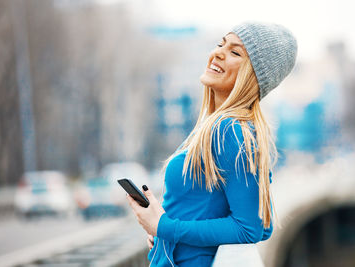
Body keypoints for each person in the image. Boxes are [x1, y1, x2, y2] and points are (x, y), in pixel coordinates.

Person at [127, 21, 297, 267]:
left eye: (235, 52)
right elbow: (264, 227)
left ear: (253, 76)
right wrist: (164, 234)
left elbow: (249, 229)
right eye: (221, 44)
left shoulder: (231, 131)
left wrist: (167, 227)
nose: (218, 52)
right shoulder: (219, 128)